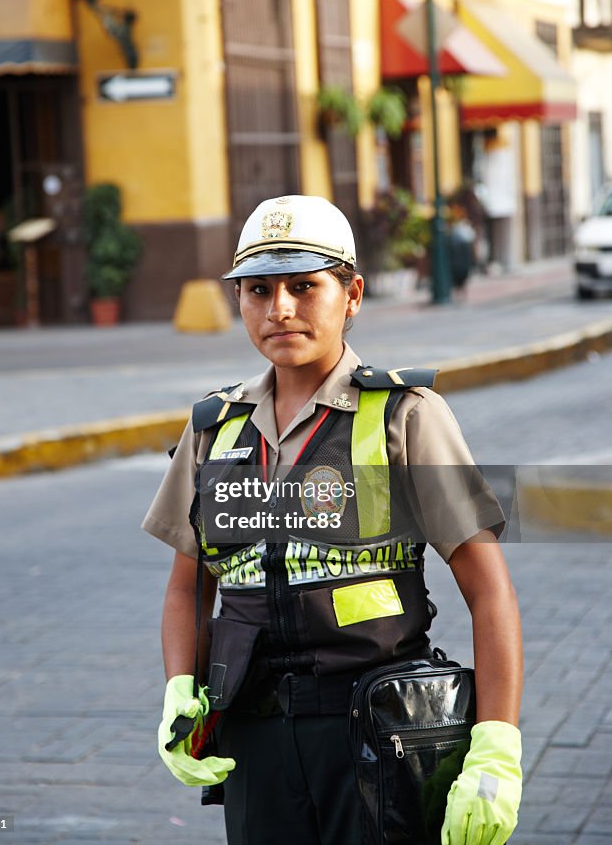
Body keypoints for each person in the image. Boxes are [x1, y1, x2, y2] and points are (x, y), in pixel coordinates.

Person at [142, 195, 523, 845]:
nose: (279, 308)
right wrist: (180, 689)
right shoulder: (216, 427)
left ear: (350, 295)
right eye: (257, 290)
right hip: (253, 737)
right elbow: (189, 585)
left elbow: (489, 591)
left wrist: (495, 746)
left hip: (377, 734)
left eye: (303, 286)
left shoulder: (403, 416)